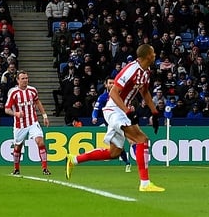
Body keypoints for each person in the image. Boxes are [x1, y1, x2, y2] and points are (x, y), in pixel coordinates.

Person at [67, 44, 165, 192]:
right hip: (114, 109)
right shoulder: (131, 70)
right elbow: (113, 93)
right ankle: (145, 183)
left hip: (121, 111)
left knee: (114, 153)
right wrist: (128, 111)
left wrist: (155, 113)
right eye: (153, 53)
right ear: (147, 56)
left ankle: (74, 159)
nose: (155, 55)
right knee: (142, 140)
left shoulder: (146, 72)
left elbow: (145, 92)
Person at [4, 70, 51, 176]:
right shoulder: (14, 93)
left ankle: (45, 168)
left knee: (41, 142)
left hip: (33, 122)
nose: (25, 80)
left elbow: (37, 102)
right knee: (17, 147)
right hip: (20, 125)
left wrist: (44, 116)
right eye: (23, 79)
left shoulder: (33, 90)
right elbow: (7, 109)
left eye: (26, 78)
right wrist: (16, 113)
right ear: (18, 80)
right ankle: (16, 169)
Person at [89, 78, 132, 172]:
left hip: (121, 121)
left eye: (113, 83)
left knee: (127, 141)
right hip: (111, 122)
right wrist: (94, 117)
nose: (112, 84)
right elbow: (96, 109)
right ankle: (128, 162)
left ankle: (132, 162)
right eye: (110, 83)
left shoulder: (122, 95)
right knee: (118, 145)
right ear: (106, 85)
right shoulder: (103, 97)